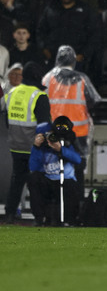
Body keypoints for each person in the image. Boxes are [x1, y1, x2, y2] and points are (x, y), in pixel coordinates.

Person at [41, 45, 101, 201]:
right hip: (78, 132)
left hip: (54, 130)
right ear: (74, 60)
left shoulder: (48, 78)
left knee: (51, 169)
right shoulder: (82, 79)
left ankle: (53, 207)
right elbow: (94, 100)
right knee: (77, 169)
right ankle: (76, 205)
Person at [3, 61, 51, 224]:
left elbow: (7, 120)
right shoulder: (39, 95)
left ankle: (10, 214)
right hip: (34, 147)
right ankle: (39, 217)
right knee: (36, 182)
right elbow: (44, 125)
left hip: (16, 145)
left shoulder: (12, 92)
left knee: (16, 180)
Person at [29, 116, 81, 226]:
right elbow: (33, 167)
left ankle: (69, 219)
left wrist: (61, 149)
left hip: (65, 180)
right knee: (34, 178)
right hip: (48, 180)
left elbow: (78, 159)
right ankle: (39, 218)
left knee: (70, 185)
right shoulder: (43, 146)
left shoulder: (67, 142)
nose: (52, 138)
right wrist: (36, 147)